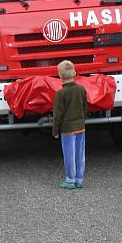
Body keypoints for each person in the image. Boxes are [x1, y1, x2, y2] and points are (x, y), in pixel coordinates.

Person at [52, 60, 87, 189]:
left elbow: (57, 115)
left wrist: (55, 130)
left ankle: (70, 180)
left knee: (69, 155)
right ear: (74, 73)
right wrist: (83, 120)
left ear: (60, 76)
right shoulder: (81, 89)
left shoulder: (60, 93)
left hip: (67, 130)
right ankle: (79, 179)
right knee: (80, 153)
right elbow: (85, 108)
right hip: (80, 127)